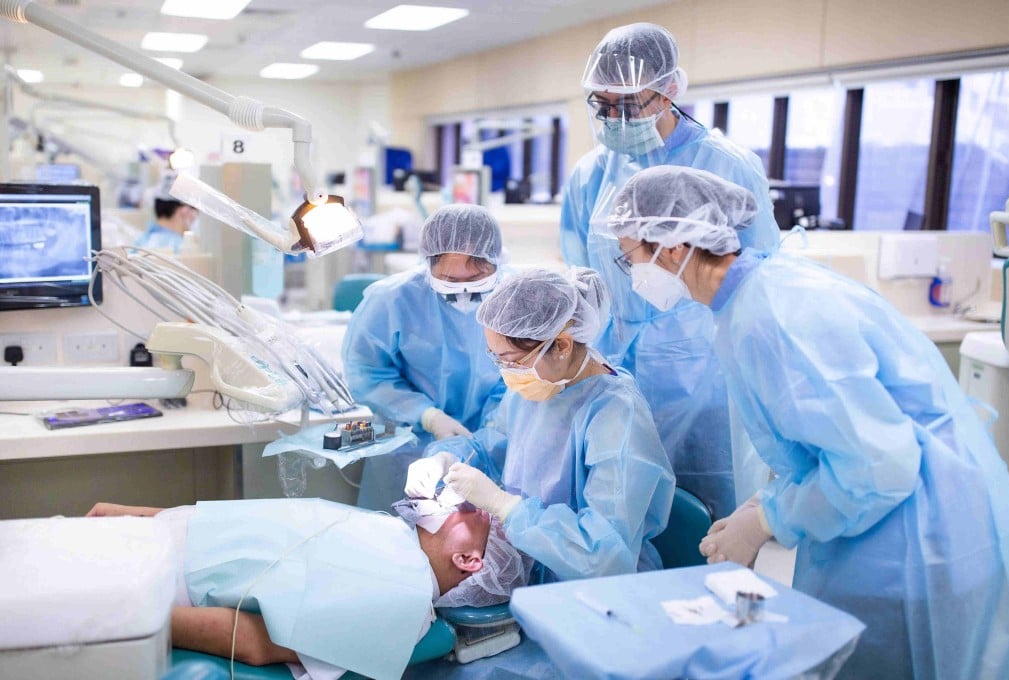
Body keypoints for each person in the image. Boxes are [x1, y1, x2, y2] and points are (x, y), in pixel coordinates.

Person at [607, 165, 1009, 679]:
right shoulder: (755, 298)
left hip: (916, 540)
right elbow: (830, 438)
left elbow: (879, 466)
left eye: (629, 257)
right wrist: (769, 500)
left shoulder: (773, 314)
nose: (632, 275)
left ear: (672, 248)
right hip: (890, 521)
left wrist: (768, 519)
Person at [559, 22, 781, 519]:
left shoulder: (726, 165)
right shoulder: (591, 174)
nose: (614, 119)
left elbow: (759, 274)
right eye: (602, 105)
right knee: (620, 507)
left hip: (704, 371)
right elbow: (579, 274)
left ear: (669, 91)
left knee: (709, 512)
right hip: (616, 367)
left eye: (627, 105)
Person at [405, 267, 675, 583]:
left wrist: (506, 508)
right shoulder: (539, 384)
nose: (506, 371)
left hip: (595, 588)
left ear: (561, 345)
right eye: (496, 358)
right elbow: (495, 444)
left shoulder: (616, 415)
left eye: (511, 360)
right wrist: (447, 457)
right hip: (535, 564)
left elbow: (604, 555)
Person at [86, 497, 529, 680]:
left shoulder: (402, 603)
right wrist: (141, 516)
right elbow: (259, 526)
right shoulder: (391, 534)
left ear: (469, 561)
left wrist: (131, 616)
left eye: (481, 515)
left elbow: (257, 642)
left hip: (149, 584)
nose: (470, 503)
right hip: (145, 538)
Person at [342, 204, 507, 511]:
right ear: (428, 261)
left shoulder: (515, 298)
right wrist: (427, 416)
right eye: (449, 280)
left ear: (496, 261)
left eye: (475, 278)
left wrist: (489, 432)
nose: (463, 291)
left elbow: (522, 372)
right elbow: (366, 372)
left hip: (491, 443)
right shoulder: (392, 300)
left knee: (483, 533)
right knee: (404, 527)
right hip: (408, 446)